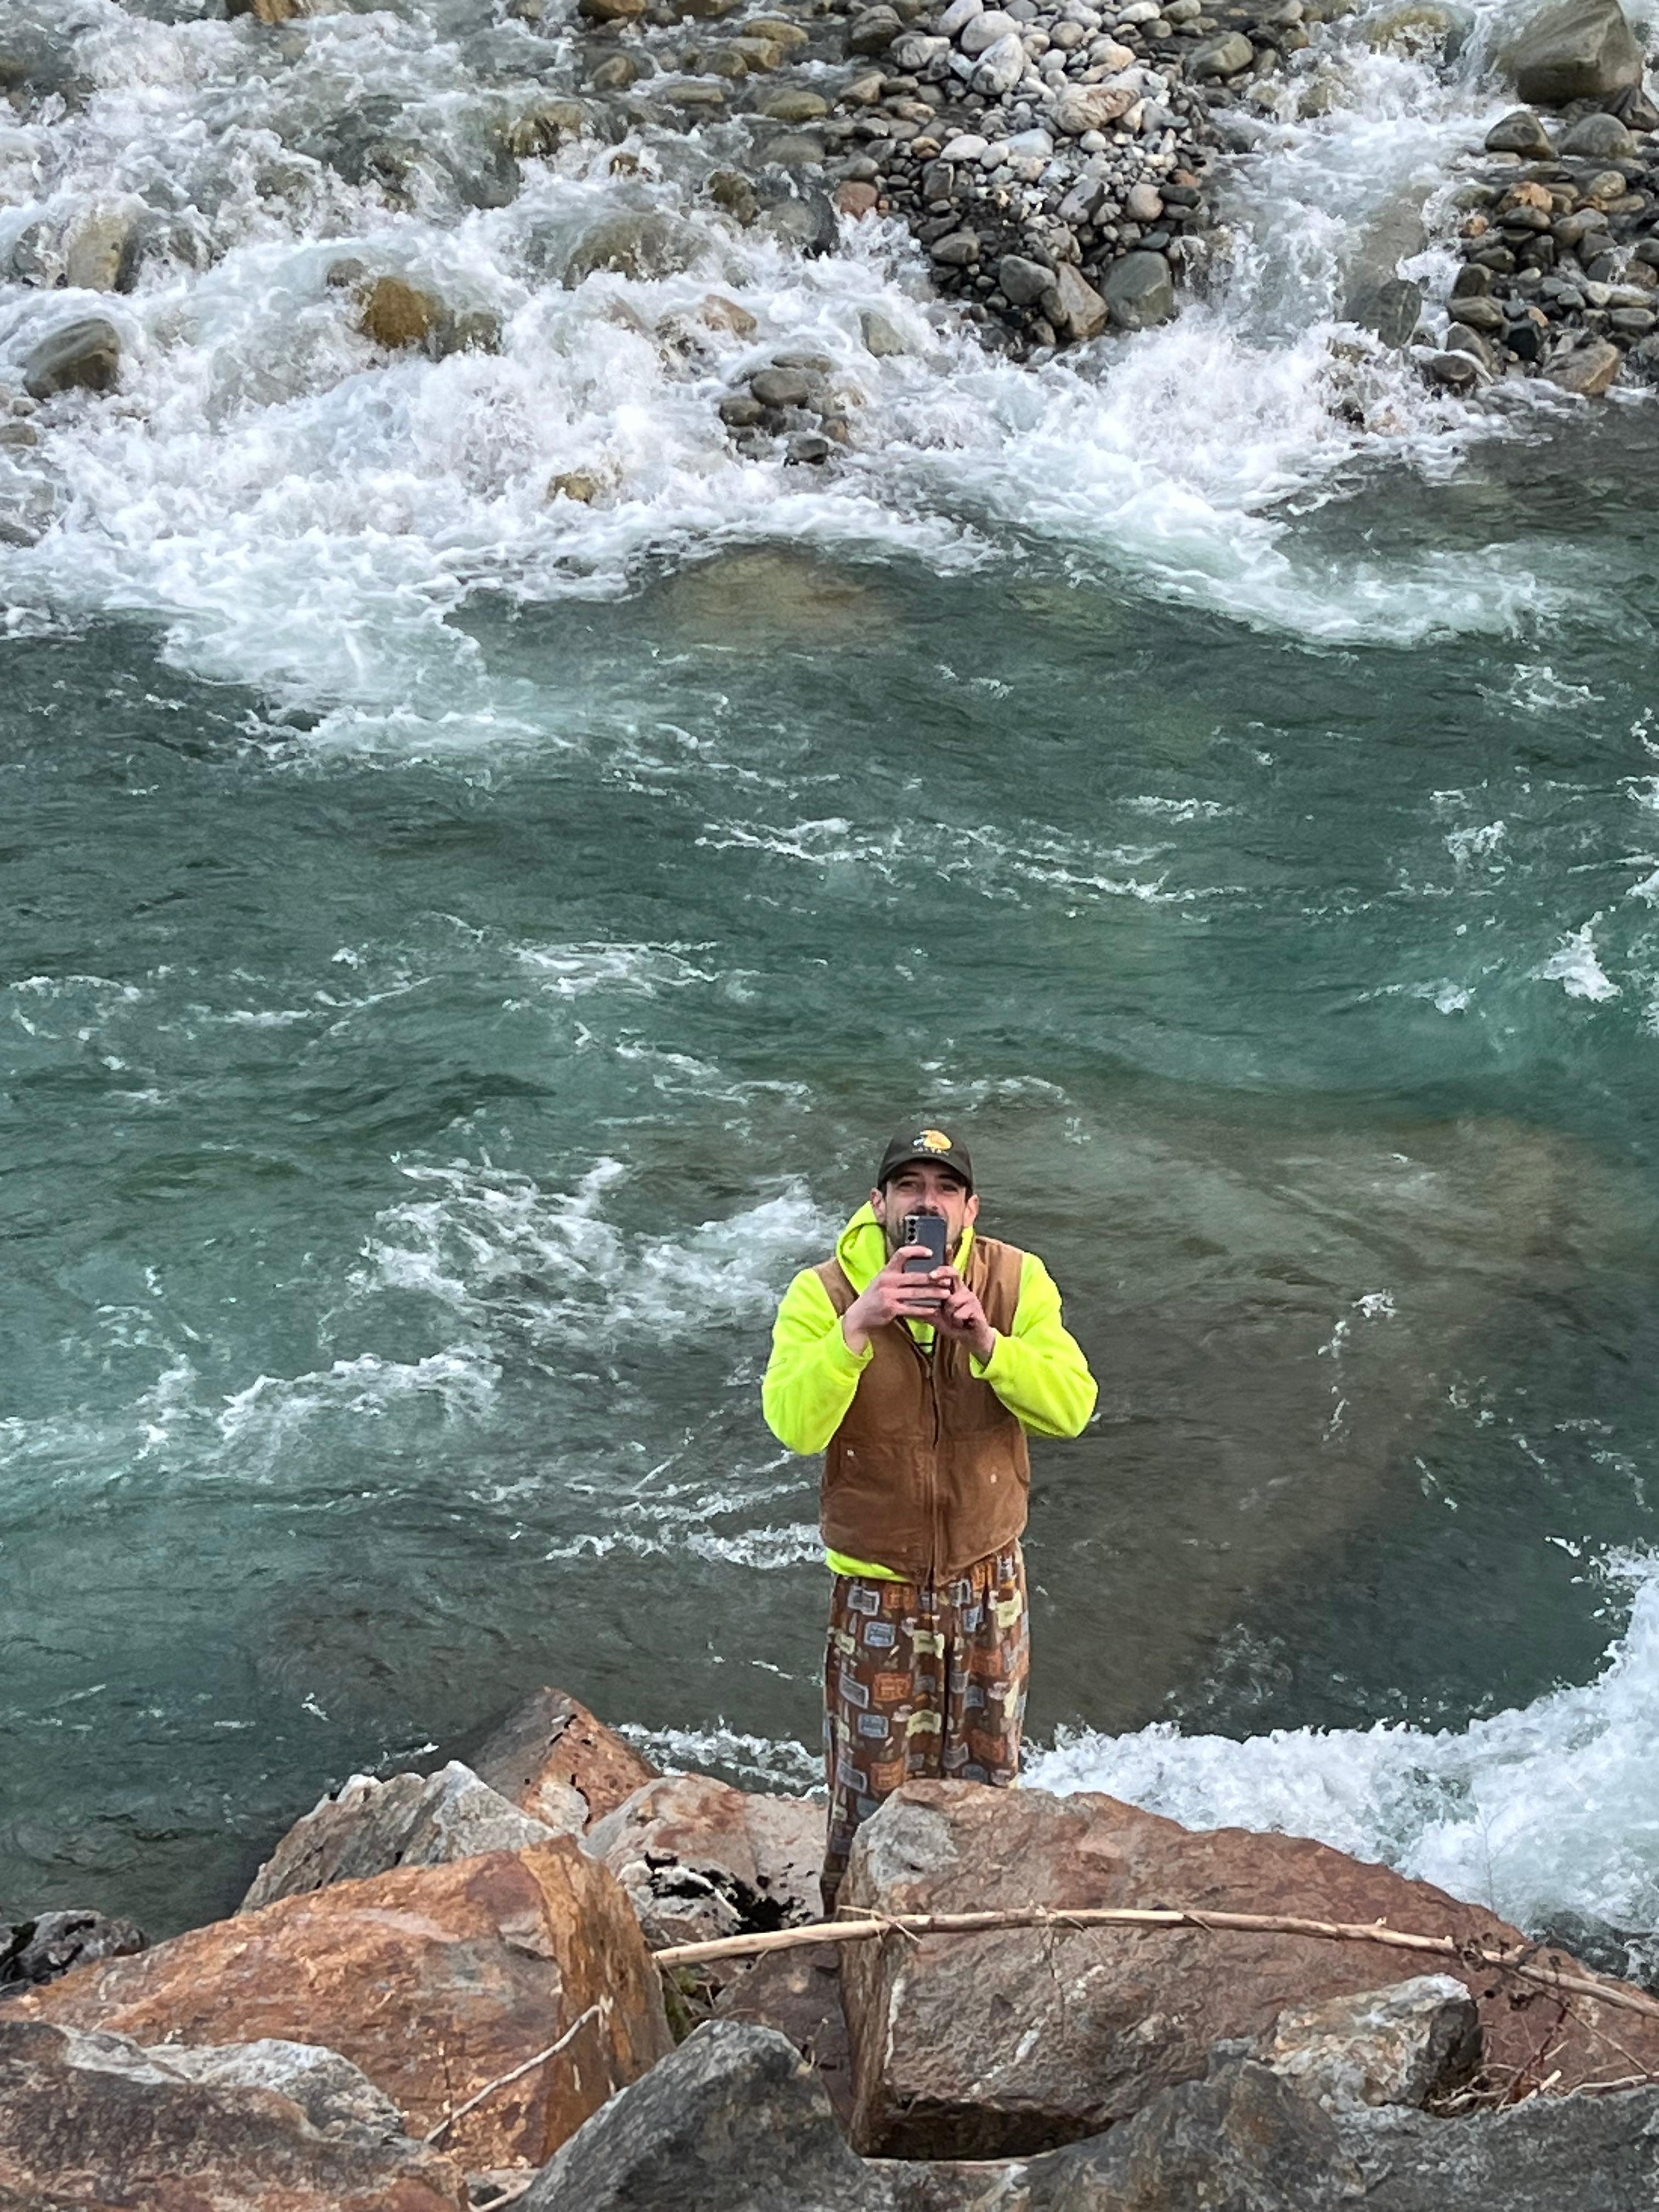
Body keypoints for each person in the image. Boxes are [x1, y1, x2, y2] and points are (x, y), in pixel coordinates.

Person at [763, 1124, 1097, 1911]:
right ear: (879, 1203)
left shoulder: (1017, 1280)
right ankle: (850, 1935)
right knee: (870, 1786)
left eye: (946, 1188)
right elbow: (793, 1425)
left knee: (988, 1778)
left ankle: (974, 1931)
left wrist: (987, 1341)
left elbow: (1072, 1407)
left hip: (989, 1580)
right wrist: (856, 1328)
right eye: (910, 1186)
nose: (928, 1202)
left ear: (971, 1207)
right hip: (878, 1586)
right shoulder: (822, 1294)